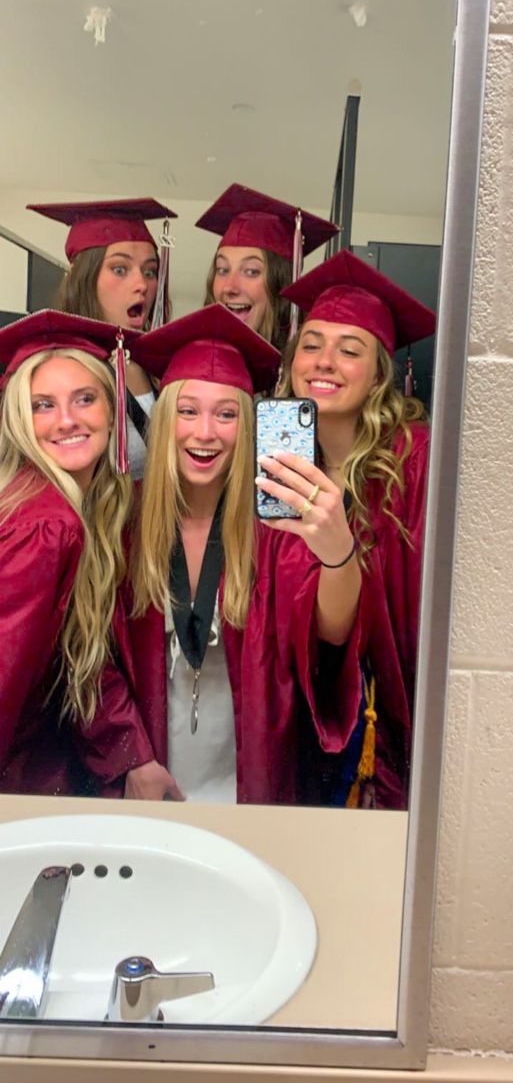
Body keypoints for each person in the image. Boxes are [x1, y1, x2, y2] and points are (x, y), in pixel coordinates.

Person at [124, 303, 362, 804]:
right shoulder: (126, 524)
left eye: (226, 414)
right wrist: (130, 757)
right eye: (187, 411)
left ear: (247, 424)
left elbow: (330, 633)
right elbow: (96, 663)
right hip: (149, 779)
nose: (205, 432)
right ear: (166, 420)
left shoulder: (275, 528)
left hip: (246, 778)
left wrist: (339, 553)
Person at [278, 249, 436, 809]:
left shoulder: (416, 461)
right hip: (295, 700)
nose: (323, 362)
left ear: (377, 378)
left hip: (382, 705)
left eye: (350, 351)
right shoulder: (278, 456)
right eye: (312, 344)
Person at [0, 310, 152, 795]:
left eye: (84, 399)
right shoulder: (45, 523)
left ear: (112, 408)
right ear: (21, 420)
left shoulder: (79, 505)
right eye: (43, 405)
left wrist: (134, 758)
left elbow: (79, 653)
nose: (67, 420)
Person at [27, 197, 177, 478]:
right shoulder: (55, 370)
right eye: (120, 269)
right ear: (85, 277)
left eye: (150, 271)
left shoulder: (158, 364)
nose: (141, 284)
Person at [197, 183, 337, 350]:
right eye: (222, 270)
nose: (229, 287)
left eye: (251, 271)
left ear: (281, 285)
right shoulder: (191, 366)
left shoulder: (306, 370)